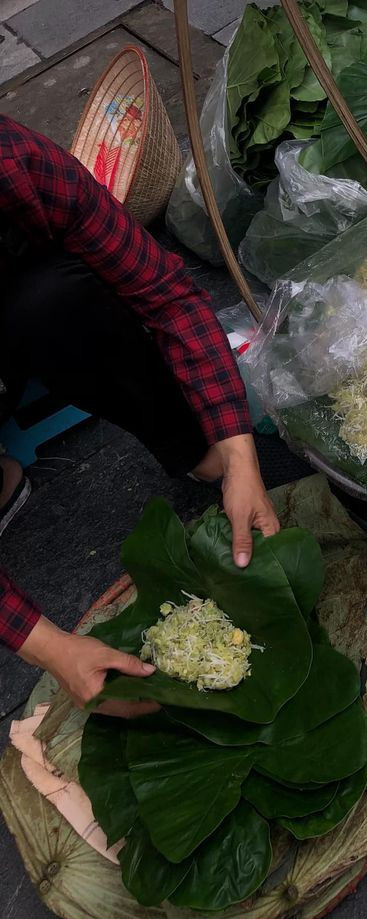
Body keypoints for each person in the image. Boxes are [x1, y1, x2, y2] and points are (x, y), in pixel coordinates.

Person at [0, 115, 280, 717]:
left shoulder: (15, 163)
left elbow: (166, 296)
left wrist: (236, 451)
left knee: (56, 300)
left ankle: (195, 454)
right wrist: (50, 647)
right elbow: (44, 644)